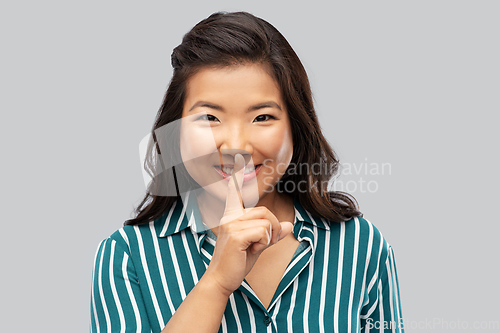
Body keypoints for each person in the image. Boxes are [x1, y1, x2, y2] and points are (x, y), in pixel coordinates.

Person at [90, 11, 404, 333]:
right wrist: (216, 284)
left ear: (296, 126)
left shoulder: (361, 246)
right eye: (210, 118)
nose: (237, 146)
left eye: (262, 117)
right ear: (176, 130)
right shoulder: (126, 256)